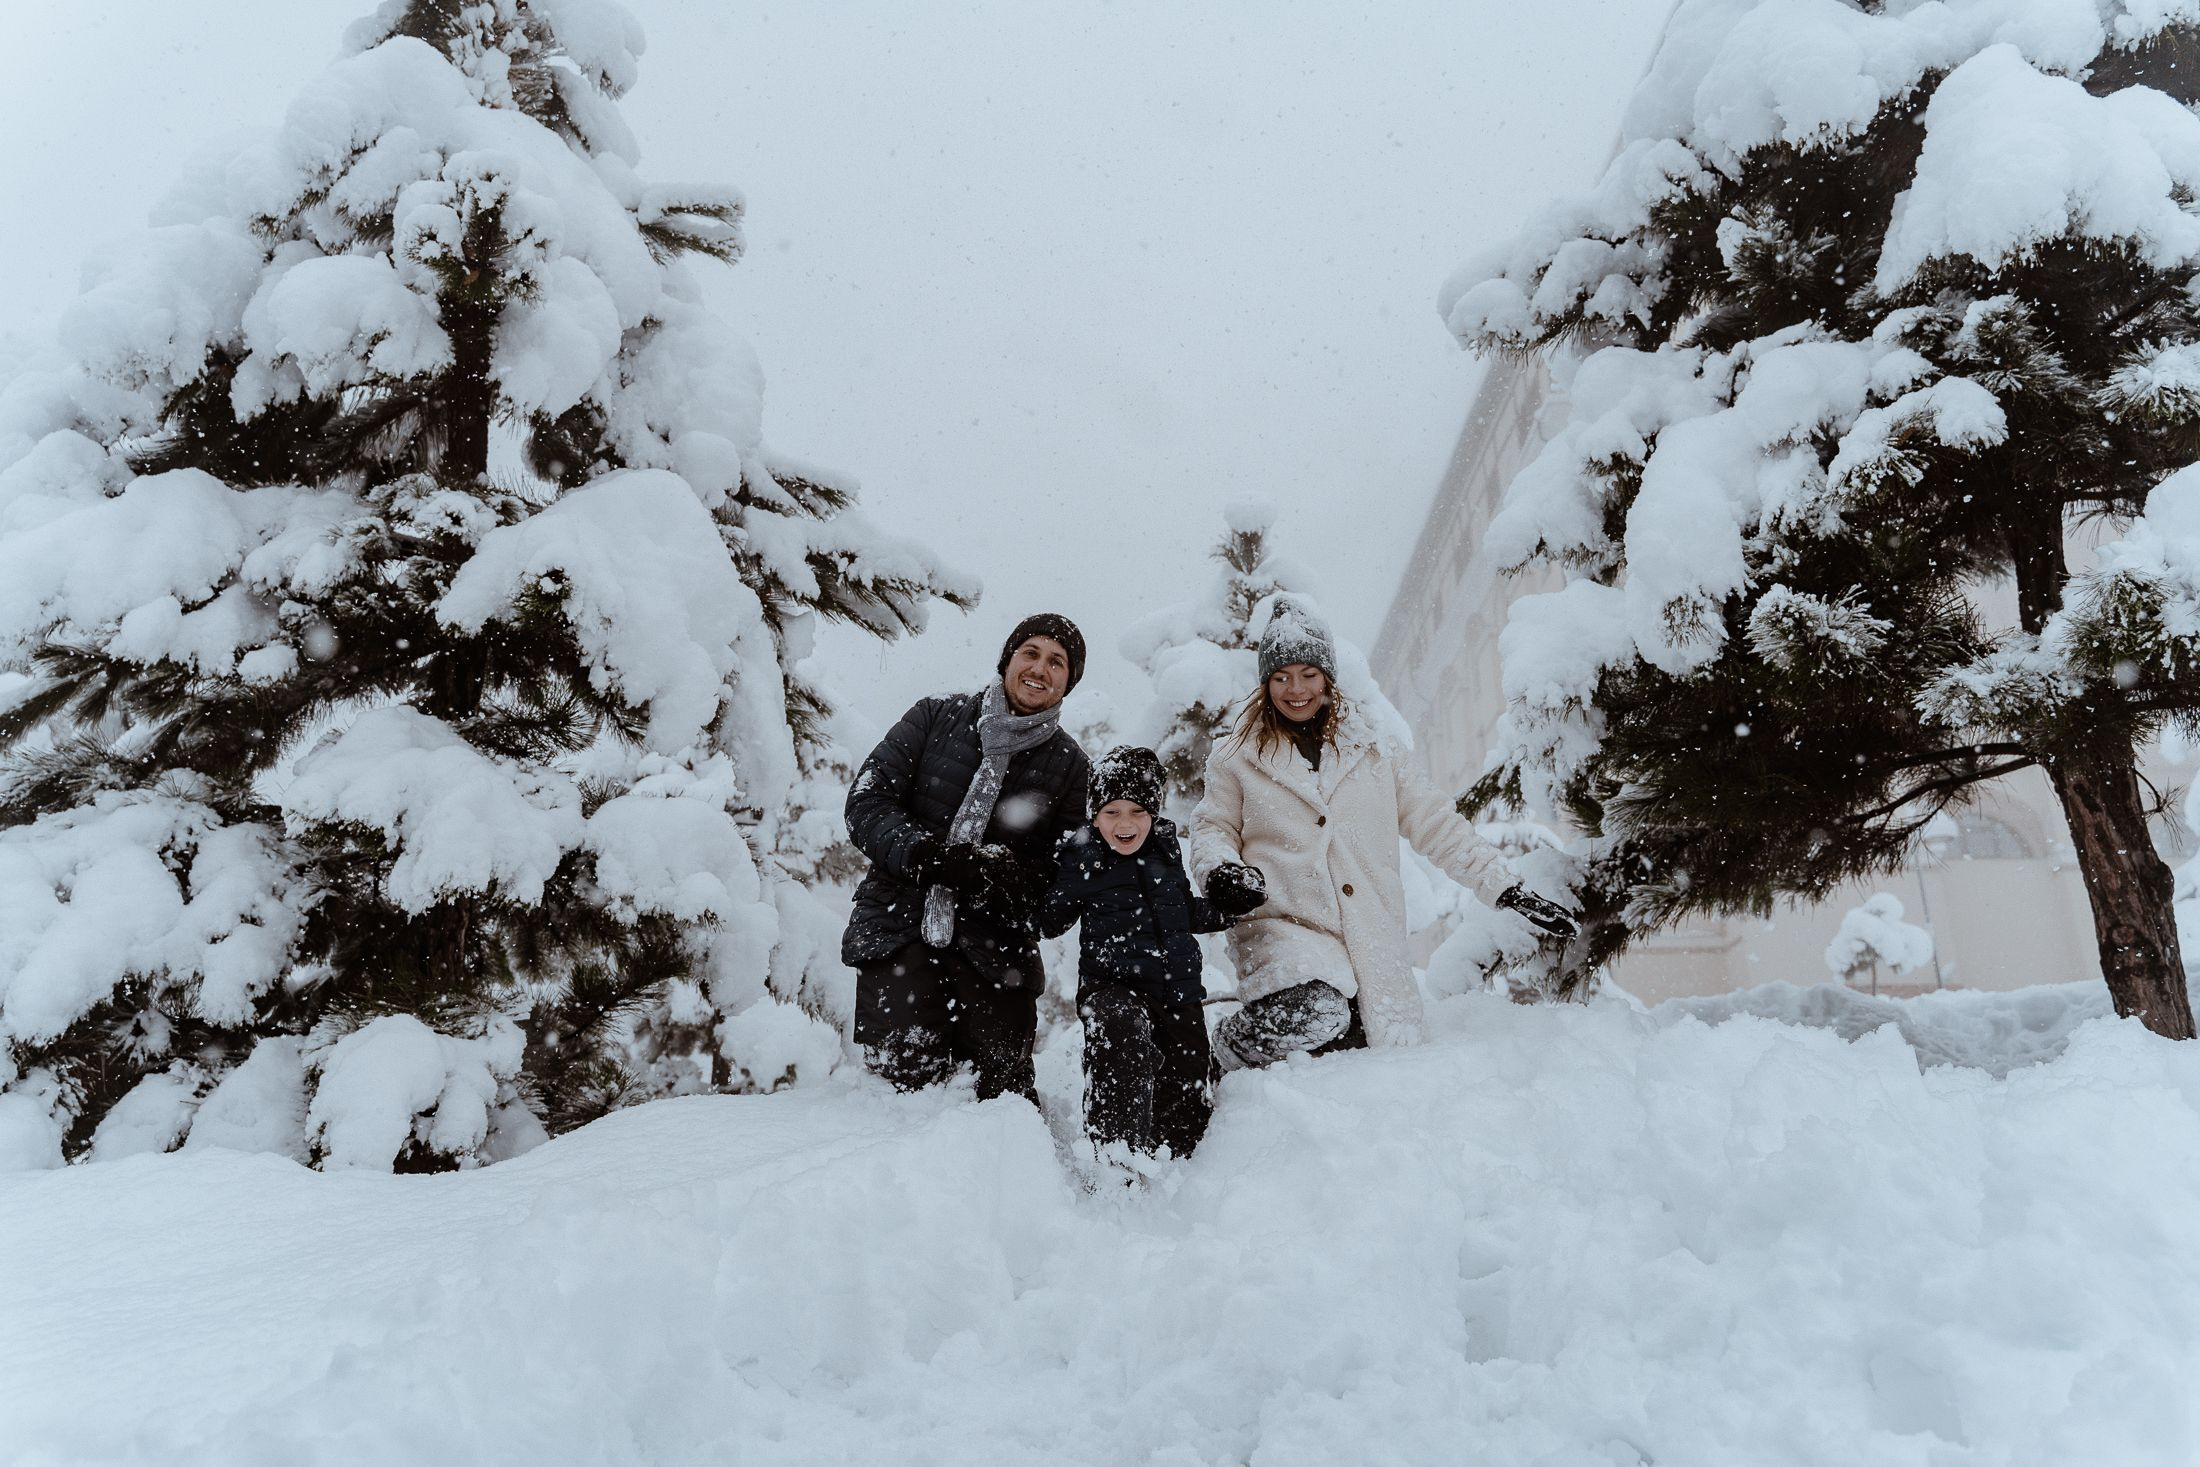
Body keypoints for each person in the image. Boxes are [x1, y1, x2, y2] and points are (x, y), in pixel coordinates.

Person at [1190, 596, 1579, 1065]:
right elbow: (1213, 829)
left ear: (1328, 679)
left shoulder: (1376, 750)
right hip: (1285, 929)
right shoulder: (1237, 758)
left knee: (1358, 1051)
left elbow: (1436, 824)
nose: (1296, 690)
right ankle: (1227, 1050)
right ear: (1265, 683)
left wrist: (1506, 888)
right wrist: (1220, 872)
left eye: (1309, 675)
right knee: (1319, 1012)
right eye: (1281, 677)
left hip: (1370, 940)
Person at [842, 614, 1093, 1101]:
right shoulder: (935, 716)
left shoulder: (1070, 766)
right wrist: (928, 855)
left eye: (1057, 661)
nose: (1040, 668)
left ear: (1069, 681)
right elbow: (867, 803)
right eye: (1031, 653)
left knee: (1001, 1099)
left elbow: (1063, 881)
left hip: (997, 953)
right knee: (902, 1093)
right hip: (900, 928)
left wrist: (1004, 879)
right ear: (1007, 660)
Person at [1040, 746, 1265, 1162]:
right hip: (1112, 987)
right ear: (1094, 815)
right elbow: (1050, 919)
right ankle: (1114, 1157)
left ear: (1153, 813)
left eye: (1137, 812)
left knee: (1186, 1097)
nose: (1125, 823)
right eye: (1112, 812)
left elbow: (1181, 912)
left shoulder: (1165, 849)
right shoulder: (1081, 856)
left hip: (1176, 992)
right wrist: (1040, 884)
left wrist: (1230, 907)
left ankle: (1173, 1167)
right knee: (1121, 1041)